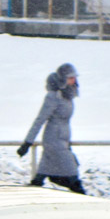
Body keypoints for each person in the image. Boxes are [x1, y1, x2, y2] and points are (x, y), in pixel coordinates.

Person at [16, 63, 85, 194]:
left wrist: (67, 142)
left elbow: (65, 122)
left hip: (62, 139)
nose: (73, 80)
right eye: (70, 77)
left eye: (74, 77)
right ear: (62, 78)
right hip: (53, 140)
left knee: (42, 173)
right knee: (72, 172)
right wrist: (28, 142)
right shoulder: (53, 97)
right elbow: (40, 120)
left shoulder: (68, 96)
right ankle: (82, 198)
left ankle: (34, 190)